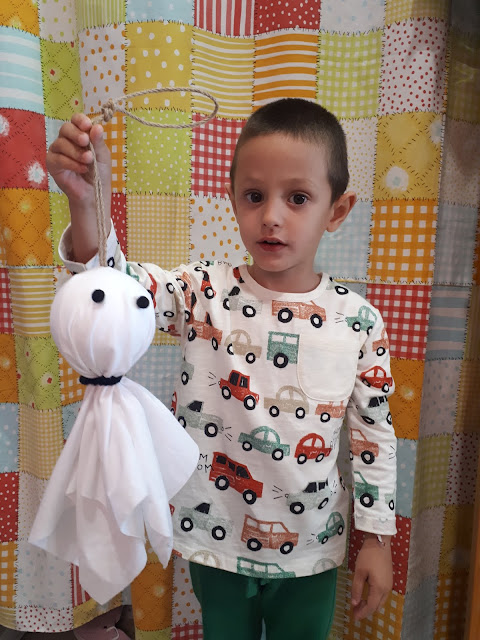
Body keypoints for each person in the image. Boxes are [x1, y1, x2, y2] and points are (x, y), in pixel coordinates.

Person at [47, 98, 397, 640]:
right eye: (254, 196)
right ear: (232, 200)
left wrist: (376, 539)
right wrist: (87, 202)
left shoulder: (359, 322)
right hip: (215, 536)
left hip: (311, 547)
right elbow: (113, 292)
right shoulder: (203, 293)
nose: (272, 216)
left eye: (298, 198)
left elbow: (374, 435)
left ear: (337, 210)